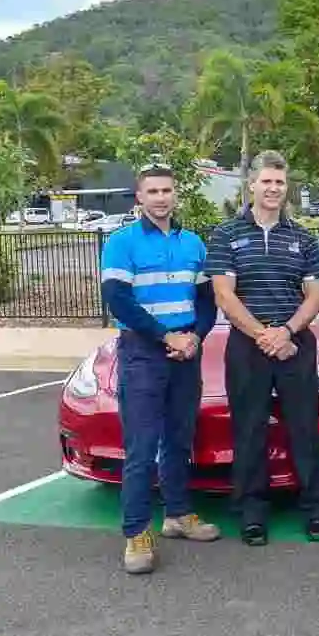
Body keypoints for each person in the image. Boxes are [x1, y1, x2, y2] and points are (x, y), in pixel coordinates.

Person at [205, 150, 319, 547]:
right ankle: (252, 511)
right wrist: (264, 335)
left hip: (295, 345)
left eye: (280, 182)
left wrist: (288, 333)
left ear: (285, 186)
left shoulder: (303, 237)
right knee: (249, 429)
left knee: (304, 428)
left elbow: (315, 294)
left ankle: (315, 509)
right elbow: (224, 294)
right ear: (252, 185)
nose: (273, 188)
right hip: (247, 345)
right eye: (266, 181)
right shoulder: (226, 234)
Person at [100, 164, 220, 575]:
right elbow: (119, 300)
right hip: (143, 354)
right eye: (152, 191)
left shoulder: (192, 243)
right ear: (139, 197)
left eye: (167, 190)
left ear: (175, 195)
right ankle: (136, 533)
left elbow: (206, 301)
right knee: (141, 447)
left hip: (186, 352)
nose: (161, 197)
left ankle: (178, 514)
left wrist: (195, 338)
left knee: (179, 439)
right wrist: (166, 337)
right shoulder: (122, 242)